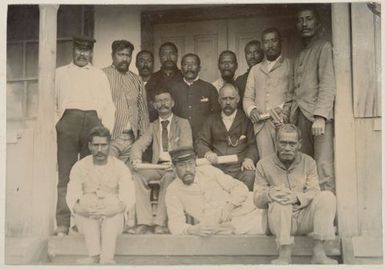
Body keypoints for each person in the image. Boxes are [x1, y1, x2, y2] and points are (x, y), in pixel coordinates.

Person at [54, 36, 115, 236]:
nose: (82, 54)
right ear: (73, 51)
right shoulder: (60, 73)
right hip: (68, 122)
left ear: (91, 53)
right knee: (66, 175)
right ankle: (63, 223)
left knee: (90, 175)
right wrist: (57, 124)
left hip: (92, 123)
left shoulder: (99, 75)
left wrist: (105, 129)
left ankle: (83, 222)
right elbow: (51, 102)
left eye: (86, 50)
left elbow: (108, 105)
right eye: (79, 50)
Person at [253, 124, 337, 265]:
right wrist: (269, 194)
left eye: (292, 144)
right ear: (276, 143)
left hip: (303, 219)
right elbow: (256, 199)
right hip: (278, 221)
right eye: (283, 143)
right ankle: (284, 254)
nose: (287, 148)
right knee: (281, 199)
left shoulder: (309, 162)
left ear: (299, 144)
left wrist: (297, 198)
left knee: (327, 196)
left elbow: (314, 191)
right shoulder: (263, 165)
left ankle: (319, 251)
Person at [66, 126, 135, 265]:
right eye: (96, 145)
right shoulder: (79, 166)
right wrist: (82, 209)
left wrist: (114, 209)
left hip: (113, 213)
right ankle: (94, 255)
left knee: (112, 208)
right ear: (90, 146)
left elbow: (128, 195)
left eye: (103, 145)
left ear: (109, 145)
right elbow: (72, 194)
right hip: (87, 214)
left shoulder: (120, 167)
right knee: (88, 202)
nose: (99, 150)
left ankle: (107, 258)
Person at [129, 88, 193, 234]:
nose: (163, 104)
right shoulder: (152, 126)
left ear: (172, 103)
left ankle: (160, 223)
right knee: (137, 176)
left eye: (166, 100)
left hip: (176, 168)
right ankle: (144, 222)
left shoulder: (183, 123)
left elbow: (187, 147)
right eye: (159, 101)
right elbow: (138, 145)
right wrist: (136, 159)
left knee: (169, 177)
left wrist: (175, 162)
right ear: (154, 105)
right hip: (157, 167)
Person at [165, 147, 266, 236]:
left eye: (190, 164)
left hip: (250, 208)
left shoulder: (208, 171)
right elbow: (175, 225)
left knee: (271, 211)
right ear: (174, 168)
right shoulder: (173, 191)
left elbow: (240, 188)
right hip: (230, 226)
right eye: (182, 165)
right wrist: (192, 230)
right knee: (265, 227)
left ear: (195, 163)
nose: (187, 169)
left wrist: (230, 206)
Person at [290, 7, 336, 192]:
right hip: (300, 117)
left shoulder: (324, 47)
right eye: (300, 20)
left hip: (318, 119)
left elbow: (327, 83)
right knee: (303, 167)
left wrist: (320, 116)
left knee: (323, 167)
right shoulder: (301, 54)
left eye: (308, 19)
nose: (304, 24)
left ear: (317, 23)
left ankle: (327, 218)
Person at [195, 83, 258, 191]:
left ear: (238, 99)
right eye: (224, 99)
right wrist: (207, 153)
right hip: (217, 169)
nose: (228, 102)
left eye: (231, 98)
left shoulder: (246, 120)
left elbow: (253, 144)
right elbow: (201, 141)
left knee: (251, 175)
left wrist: (249, 159)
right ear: (219, 100)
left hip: (240, 169)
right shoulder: (211, 120)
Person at [243, 28, 293, 158]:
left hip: (283, 123)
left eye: (273, 40)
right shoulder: (255, 69)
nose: (270, 45)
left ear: (280, 42)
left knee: (285, 161)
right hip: (261, 126)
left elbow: (294, 94)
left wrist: (284, 112)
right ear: (262, 45)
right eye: (266, 42)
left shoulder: (290, 65)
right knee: (267, 164)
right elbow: (247, 97)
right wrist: (252, 110)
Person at [103, 40, 149, 141]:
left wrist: (142, 139)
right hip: (110, 138)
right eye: (120, 54)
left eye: (128, 55)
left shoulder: (137, 79)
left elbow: (143, 111)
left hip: (132, 139)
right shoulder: (102, 75)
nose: (124, 59)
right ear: (112, 55)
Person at [170, 53, 220, 139]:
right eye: (186, 64)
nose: (189, 67)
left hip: (204, 139)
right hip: (179, 138)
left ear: (199, 68)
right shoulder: (173, 89)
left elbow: (217, 116)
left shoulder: (209, 88)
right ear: (181, 69)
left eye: (193, 64)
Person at [146, 42, 183, 122]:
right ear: (160, 57)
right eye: (164, 54)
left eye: (171, 54)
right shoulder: (152, 78)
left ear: (177, 56)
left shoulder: (184, 78)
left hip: (180, 125)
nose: (168, 58)